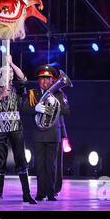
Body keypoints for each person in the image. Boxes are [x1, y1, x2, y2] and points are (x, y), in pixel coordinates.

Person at [0, 55, 37, 205]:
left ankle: (26, 194)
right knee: (0, 162)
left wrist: (12, 63)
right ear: (0, 75)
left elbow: (24, 79)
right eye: (7, 72)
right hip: (1, 128)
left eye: (11, 73)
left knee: (21, 160)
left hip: (15, 127)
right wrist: (1, 96)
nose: (11, 74)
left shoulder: (17, 89)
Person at [24, 65, 70, 201]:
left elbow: (67, 111)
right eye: (42, 79)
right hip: (38, 133)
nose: (44, 82)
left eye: (47, 79)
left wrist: (56, 103)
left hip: (53, 133)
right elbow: (24, 108)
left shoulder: (59, 93)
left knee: (51, 164)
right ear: (38, 80)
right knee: (39, 164)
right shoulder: (33, 93)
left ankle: (51, 192)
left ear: (52, 80)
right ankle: (40, 192)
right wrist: (35, 108)